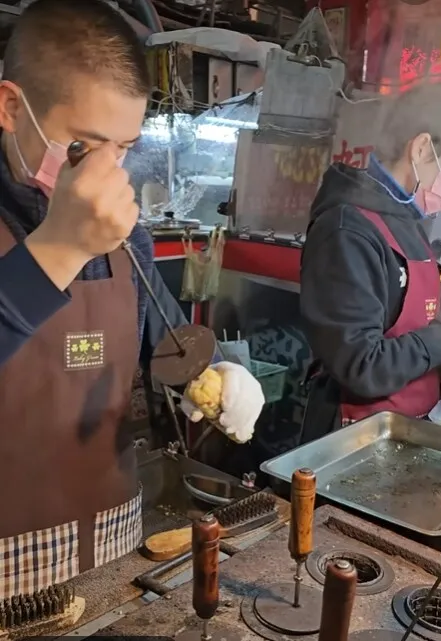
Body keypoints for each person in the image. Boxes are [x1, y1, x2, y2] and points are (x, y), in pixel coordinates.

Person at [0, 0, 264, 600]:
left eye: (123, 147)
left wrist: (215, 371)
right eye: (83, 147)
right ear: (12, 108)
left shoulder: (130, 236)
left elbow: (168, 343)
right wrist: (57, 249)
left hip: (113, 543)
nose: (109, 171)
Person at [299, 82, 441, 444]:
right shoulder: (346, 230)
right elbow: (361, 365)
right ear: (421, 148)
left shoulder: (407, 220)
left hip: (405, 428)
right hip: (356, 438)